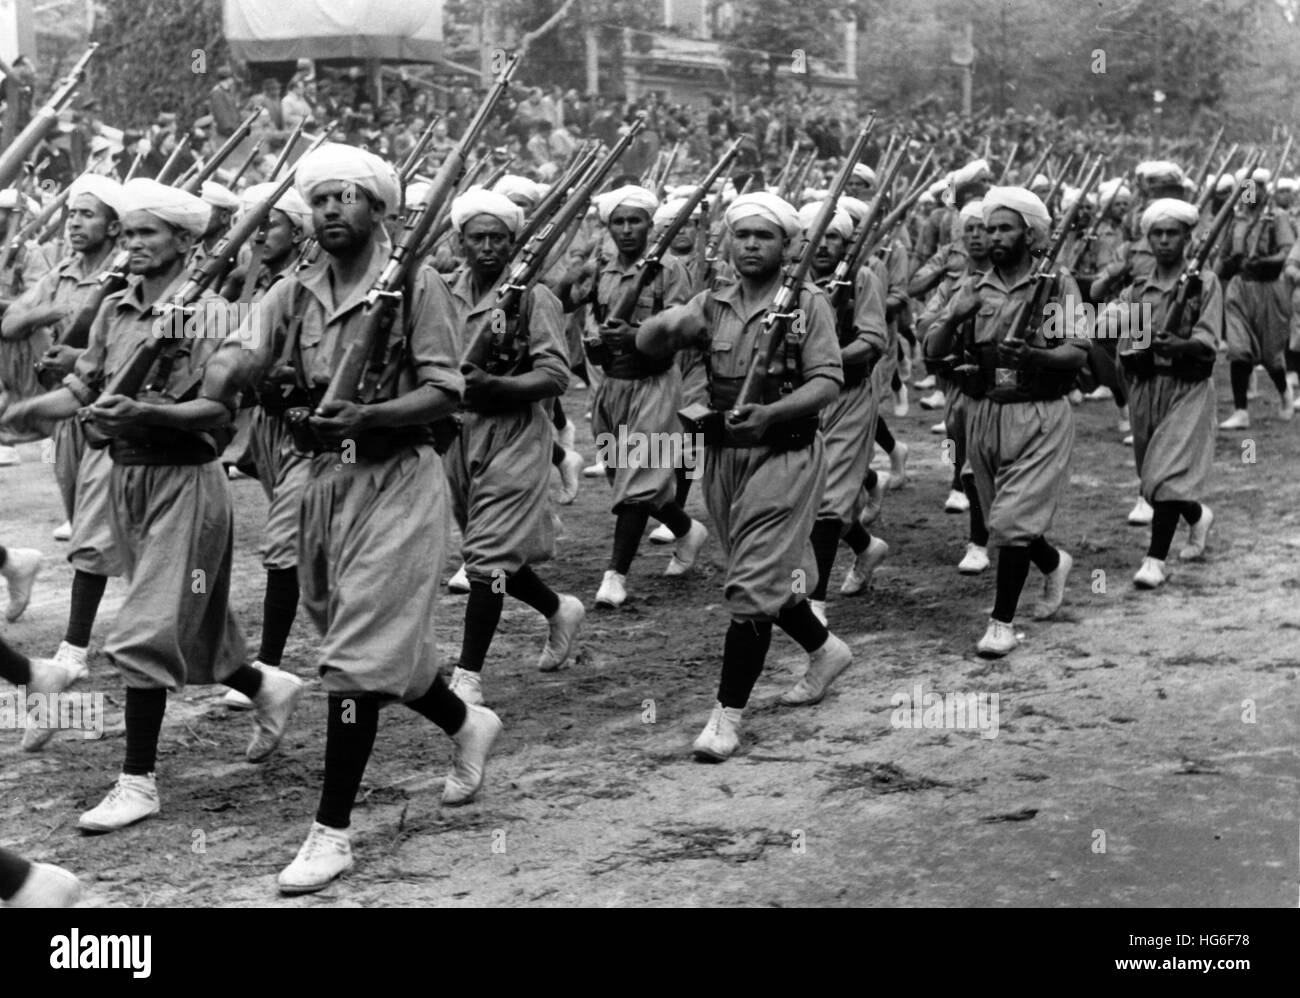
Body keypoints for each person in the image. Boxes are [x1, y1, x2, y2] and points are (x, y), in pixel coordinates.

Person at [193, 143, 503, 894]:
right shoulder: (294, 290)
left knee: (354, 664)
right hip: (326, 483)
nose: (332, 210)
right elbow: (240, 353)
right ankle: (464, 722)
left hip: (399, 479)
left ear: (379, 208)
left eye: (347, 197)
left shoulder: (419, 286)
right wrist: (219, 382)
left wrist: (370, 410)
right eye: (321, 199)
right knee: (364, 643)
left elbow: (445, 390)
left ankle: (331, 834)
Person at [0, 179, 304, 817]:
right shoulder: (115, 308)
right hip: (127, 480)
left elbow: (217, 410)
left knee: (143, 630)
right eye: (129, 232)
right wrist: (29, 413)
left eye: (147, 234)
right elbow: (85, 391)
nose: (132, 244)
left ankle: (137, 780)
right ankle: (263, 686)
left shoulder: (214, 312)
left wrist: (144, 409)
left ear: (187, 241)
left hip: (187, 485)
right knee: (197, 634)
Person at [635, 191, 855, 759]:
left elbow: (828, 380)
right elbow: (648, 345)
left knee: (749, 585)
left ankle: (725, 717)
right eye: (743, 235)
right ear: (728, 242)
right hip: (726, 455)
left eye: (765, 236)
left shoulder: (808, 304)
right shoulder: (712, 301)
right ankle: (825, 648)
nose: (752, 245)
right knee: (754, 571)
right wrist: (668, 325)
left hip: (786, 452)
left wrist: (774, 413)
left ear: (787, 245)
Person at [926, 186, 1087, 658]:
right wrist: (954, 318)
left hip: (1039, 413)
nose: (993, 237)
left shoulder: (1057, 284)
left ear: (1030, 233)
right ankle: (1053, 562)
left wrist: (1035, 353)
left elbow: (1077, 349)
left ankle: (1002, 623)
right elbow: (934, 353)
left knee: (1013, 521)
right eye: (988, 228)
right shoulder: (974, 285)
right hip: (986, 412)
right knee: (1003, 520)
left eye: (1004, 228)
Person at [441, 189, 585, 706]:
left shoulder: (533, 297)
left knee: (487, 559)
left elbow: (555, 375)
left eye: (497, 238)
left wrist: (498, 385)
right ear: (459, 241)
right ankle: (556, 607)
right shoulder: (442, 291)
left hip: (517, 434)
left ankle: (468, 674)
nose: (486, 247)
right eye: (476, 237)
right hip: (456, 435)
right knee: (489, 553)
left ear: (513, 243)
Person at [559, 184, 707, 608]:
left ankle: (615, 576)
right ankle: (686, 529)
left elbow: (685, 326)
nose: (627, 230)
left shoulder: (670, 269)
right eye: (618, 222)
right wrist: (572, 280)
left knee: (637, 482)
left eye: (635, 221)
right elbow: (561, 303)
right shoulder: (600, 268)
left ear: (649, 224)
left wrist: (639, 334)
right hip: (611, 388)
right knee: (627, 479)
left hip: (656, 386)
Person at [215, 183, 314, 712]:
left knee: (282, 544)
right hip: (267, 429)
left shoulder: (305, 285)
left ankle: (270, 665)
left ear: (297, 232)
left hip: (307, 427)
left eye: (269, 224)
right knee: (305, 538)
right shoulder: (252, 280)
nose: (258, 234)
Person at [1101, 199, 1218, 588]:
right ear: (1148, 240)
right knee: (1152, 477)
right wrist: (1126, 328)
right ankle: (1197, 515)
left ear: (1188, 237)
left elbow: (1207, 338)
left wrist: (1179, 346)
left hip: (1187, 387)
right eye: (1158, 234)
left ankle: (1155, 560)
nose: (1165, 241)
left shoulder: (1204, 283)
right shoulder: (1138, 289)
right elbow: (1112, 329)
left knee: (1164, 477)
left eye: (1173, 234)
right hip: (1146, 387)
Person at [797, 199, 890, 625]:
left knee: (828, 501)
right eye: (813, 235)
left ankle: (814, 601)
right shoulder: (792, 280)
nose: (821, 244)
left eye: (832, 235)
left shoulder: (862, 278)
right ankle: (865, 546)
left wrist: (827, 356)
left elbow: (872, 340)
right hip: (802, 398)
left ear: (846, 241)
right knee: (807, 492)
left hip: (848, 395)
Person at [1217, 168, 1296, 428]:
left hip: (1269, 290)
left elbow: (1287, 252)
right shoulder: (1235, 220)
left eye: (1255, 188)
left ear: (1264, 190)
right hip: (1240, 290)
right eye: (1246, 188)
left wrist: (1262, 260)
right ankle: (1241, 411)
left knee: (1270, 354)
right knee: (1239, 348)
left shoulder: (1277, 217)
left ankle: (1285, 393)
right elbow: (1223, 256)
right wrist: (1226, 265)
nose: (1250, 194)